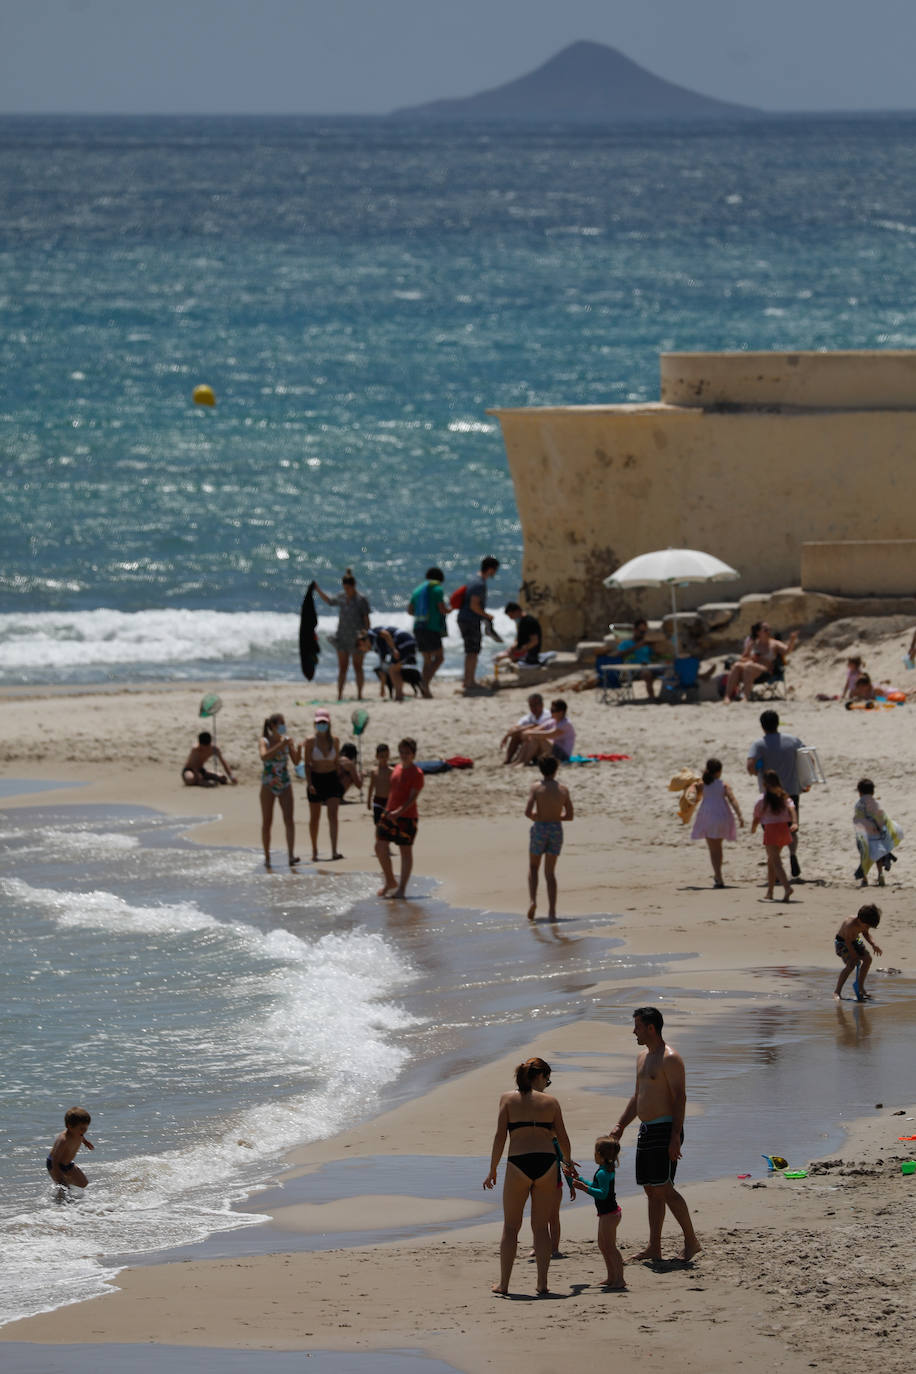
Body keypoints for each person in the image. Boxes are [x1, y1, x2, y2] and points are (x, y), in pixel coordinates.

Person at [607, 1008, 701, 1264]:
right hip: (646, 1129)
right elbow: (637, 1097)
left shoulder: (670, 1058)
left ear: (650, 1028)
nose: (633, 1030)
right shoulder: (641, 1057)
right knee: (651, 1190)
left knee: (664, 1188)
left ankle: (691, 1241)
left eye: (637, 1025)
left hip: (665, 1129)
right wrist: (621, 1125)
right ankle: (654, 1246)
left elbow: (680, 1098)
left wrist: (674, 1137)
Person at [483, 1056, 574, 1298]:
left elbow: (500, 1137)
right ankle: (542, 1284)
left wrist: (492, 1168)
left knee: (511, 1227)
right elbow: (563, 1138)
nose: (548, 1083)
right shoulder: (551, 1102)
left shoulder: (507, 1099)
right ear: (540, 1076)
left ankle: (504, 1284)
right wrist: (567, 1162)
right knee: (540, 1228)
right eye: (548, 1079)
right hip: (546, 1164)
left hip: (518, 1164)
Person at [747, 709, 805, 878]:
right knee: (791, 828)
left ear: (762, 726)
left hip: (769, 793)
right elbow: (808, 759)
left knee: (771, 831)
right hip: (791, 790)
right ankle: (793, 855)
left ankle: (776, 867)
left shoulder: (758, 744)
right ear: (778, 723)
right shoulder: (793, 740)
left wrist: (756, 771)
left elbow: (750, 766)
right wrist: (805, 781)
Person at [568, 1136, 626, 1290]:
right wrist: (579, 1179)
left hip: (610, 1214)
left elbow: (602, 1193)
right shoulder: (604, 1169)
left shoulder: (603, 1173)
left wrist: (584, 1188)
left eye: (595, 1152)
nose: (593, 1154)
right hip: (607, 1214)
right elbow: (595, 1185)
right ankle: (611, 1276)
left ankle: (620, 1279)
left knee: (610, 1247)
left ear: (600, 1155)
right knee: (603, 1245)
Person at [525, 755, 574, 922]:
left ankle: (533, 901)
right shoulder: (563, 789)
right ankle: (552, 911)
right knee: (550, 872)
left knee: (533, 867)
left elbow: (528, 812)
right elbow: (569, 816)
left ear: (540, 769)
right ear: (556, 769)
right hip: (556, 829)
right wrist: (555, 816)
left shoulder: (536, 788)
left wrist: (538, 817)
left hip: (540, 828)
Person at [375, 737, 423, 898]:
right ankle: (390, 881)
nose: (404, 755)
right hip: (389, 814)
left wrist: (399, 813)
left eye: (407, 753)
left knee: (405, 852)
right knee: (379, 847)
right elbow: (392, 792)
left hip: (407, 817)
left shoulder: (417, 773)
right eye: (402, 752)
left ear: (413, 754)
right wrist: (388, 811)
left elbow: (412, 798)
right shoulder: (396, 769)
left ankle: (402, 888)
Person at [313, 570, 371, 701]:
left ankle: (360, 694)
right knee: (342, 668)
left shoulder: (362, 600)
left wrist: (366, 637)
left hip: (357, 638)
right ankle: (339, 695)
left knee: (358, 667)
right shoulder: (342, 597)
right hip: (342, 636)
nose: (347, 590)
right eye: (345, 588)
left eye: (349, 588)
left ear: (354, 586)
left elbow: (366, 620)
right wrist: (318, 589)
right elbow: (329, 601)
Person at [690, 758, 744, 888]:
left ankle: (718, 876)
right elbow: (733, 800)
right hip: (722, 816)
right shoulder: (724, 785)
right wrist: (740, 816)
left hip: (707, 816)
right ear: (719, 772)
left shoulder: (702, 785)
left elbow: (694, 798)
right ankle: (718, 875)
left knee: (713, 849)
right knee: (718, 848)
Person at [259, 713, 301, 871]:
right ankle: (267, 857)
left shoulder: (286, 740)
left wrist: (298, 749)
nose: (283, 726)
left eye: (284, 723)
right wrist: (281, 746)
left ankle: (291, 855)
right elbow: (264, 756)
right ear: (272, 727)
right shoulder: (265, 740)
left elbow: (296, 761)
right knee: (267, 822)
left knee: (289, 819)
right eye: (280, 724)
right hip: (268, 783)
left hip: (284, 782)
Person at [303, 709, 344, 862]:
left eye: (324, 723)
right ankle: (314, 850)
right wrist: (309, 784)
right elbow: (307, 764)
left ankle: (334, 850)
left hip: (332, 778)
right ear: (315, 723)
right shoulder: (310, 741)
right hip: (316, 779)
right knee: (315, 818)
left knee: (333, 816)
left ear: (328, 723)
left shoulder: (335, 740)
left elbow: (337, 762)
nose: (321, 725)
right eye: (319, 722)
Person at [750, 769, 797, 901]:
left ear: (764, 784)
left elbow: (757, 817)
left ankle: (787, 887)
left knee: (776, 861)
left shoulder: (762, 799)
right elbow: (792, 808)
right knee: (771, 860)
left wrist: (753, 828)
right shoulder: (783, 796)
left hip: (771, 830)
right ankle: (770, 892)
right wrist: (794, 822)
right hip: (783, 829)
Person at [724, 622, 798, 704]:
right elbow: (743, 658)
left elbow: (787, 651)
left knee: (749, 666)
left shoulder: (774, 644)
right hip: (749, 668)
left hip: (765, 671)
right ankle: (727, 696)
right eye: (766, 630)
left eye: (769, 629)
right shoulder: (753, 643)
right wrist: (752, 658)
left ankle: (745, 697)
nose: (768, 631)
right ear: (758, 632)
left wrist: (792, 640)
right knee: (737, 665)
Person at [457, 555, 500, 694]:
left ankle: (468, 680)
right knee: (473, 652)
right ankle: (469, 682)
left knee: (470, 651)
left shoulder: (473, 579)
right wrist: (488, 616)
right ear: (491, 569)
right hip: (470, 620)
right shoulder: (479, 583)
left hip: (465, 619)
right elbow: (474, 605)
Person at [408, 566, 449, 697]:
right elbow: (442, 609)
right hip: (431, 628)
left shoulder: (418, 590)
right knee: (439, 657)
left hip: (418, 627)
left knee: (427, 660)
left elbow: (410, 610)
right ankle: (424, 683)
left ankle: (425, 691)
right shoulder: (437, 589)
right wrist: (451, 609)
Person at [853, 778, 901, 886]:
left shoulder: (858, 804)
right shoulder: (876, 803)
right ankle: (880, 874)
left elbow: (858, 819)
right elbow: (881, 818)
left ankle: (865, 879)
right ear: (873, 792)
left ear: (859, 793)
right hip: (876, 835)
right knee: (878, 856)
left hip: (864, 835)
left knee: (864, 856)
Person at [834, 903, 883, 1001]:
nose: (868, 927)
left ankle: (860, 987)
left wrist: (873, 944)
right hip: (842, 942)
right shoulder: (850, 925)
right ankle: (837, 991)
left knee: (868, 959)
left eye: (869, 926)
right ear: (860, 920)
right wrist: (854, 955)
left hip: (856, 939)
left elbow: (865, 933)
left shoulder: (864, 922)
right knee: (851, 964)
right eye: (867, 925)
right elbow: (848, 942)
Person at [357, 626, 419, 701]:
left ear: (361, 642)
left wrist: (393, 649)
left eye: (362, 650)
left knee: (393, 670)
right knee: (394, 669)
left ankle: (399, 695)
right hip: (409, 642)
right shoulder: (377, 648)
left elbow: (386, 634)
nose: (364, 652)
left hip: (403, 640)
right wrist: (382, 688)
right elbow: (383, 669)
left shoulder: (372, 633)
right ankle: (401, 693)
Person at [514, 699, 575, 767]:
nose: (551, 713)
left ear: (561, 712)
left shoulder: (566, 724)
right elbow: (538, 729)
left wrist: (529, 733)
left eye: (553, 711)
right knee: (531, 737)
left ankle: (525, 762)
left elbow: (549, 734)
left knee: (537, 738)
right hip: (554, 749)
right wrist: (528, 733)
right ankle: (519, 761)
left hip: (562, 755)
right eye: (551, 710)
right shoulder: (553, 721)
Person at [46, 1106, 94, 1190]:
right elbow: (55, 1160)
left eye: (86, 1128)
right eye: (82, 1128)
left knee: (83, 1183)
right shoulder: (63, 1140)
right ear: (70, 1126)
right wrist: (58, 1176)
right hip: (54, 1164)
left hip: (67, 1163)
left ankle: (67, 1184)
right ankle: (58, 1200)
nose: (84, 1131)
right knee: (63, 1188)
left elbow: (81, 1137)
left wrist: (85, 1142)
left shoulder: (78, 1133)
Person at [500, 692, 553, 764]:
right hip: (534, 746)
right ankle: (508, 759)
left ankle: (521, 761)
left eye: (535, 705)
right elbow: (514, 728)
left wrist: (507, 736)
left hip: (546, 746)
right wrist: (510, 734)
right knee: (517, 735)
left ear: (542, 705)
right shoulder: (530, 716)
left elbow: (536, 727)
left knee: (529, 735)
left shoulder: (547, 715)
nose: (533, 708)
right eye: (531, 705)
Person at [616, 618, 661, 700]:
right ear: (635, 630)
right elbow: (619, 654)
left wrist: (655, 647)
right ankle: (652, 697)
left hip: (649, 666)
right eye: (642, 632)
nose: (643, 634)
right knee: (647, 673)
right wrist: (637, 646)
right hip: (634, 670)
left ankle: (667, 695)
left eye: (645, 632)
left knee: (671, 671)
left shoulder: (647, 644)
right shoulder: (625, 643)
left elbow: (654, 656)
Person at [495, 601, 542, 667]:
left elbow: (534, 641)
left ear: (516, 611)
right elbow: (519, 639)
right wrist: (512, 648)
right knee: (498, 657)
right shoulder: (522, 622)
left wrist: (520, 651)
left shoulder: (529, 621)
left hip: (529, 654)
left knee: (497, 658)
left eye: (511, 615)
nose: (511, 618)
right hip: (522, 651)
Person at [366, 742, 392, 827]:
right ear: (377, 756)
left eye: (386, 756)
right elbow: (371, 787)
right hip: (377, 801)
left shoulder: (392, 771)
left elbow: (395, 788)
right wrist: (368, 801)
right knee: (378, 824)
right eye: (381, 756)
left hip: (389, 801)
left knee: (388, 825)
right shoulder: (374, 772)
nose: (384, 759)